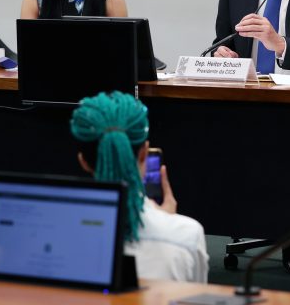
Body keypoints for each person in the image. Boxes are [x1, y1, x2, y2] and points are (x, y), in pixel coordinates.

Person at [71, 91, 209, 283]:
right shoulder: (186, 235)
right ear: (144, 153)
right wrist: (167, 222)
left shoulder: (53, 230)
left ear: (83, 161)